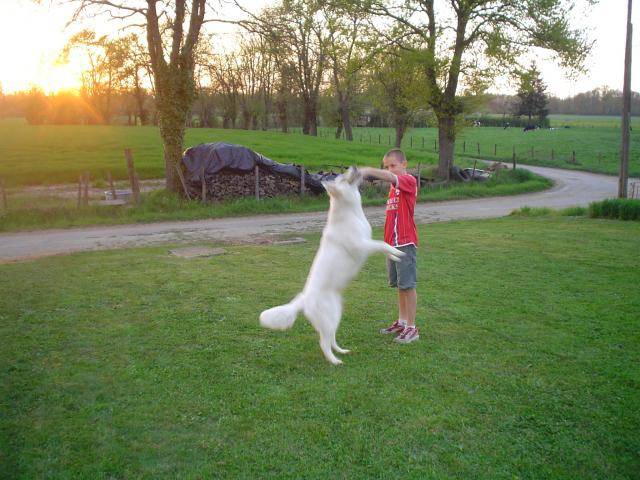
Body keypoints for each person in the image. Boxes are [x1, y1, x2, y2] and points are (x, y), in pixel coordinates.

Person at [359, 149, 419, 344]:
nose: (390, 169)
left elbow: (391, 178)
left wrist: (368, 170)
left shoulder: (409, 181)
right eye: (387, 166)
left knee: (408, 285)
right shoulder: (393, 189)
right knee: (400, 285)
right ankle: (402, 322)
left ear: (404, 164)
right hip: (391, 244)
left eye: (393, 165)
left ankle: (412, 328)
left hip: (405, 242)